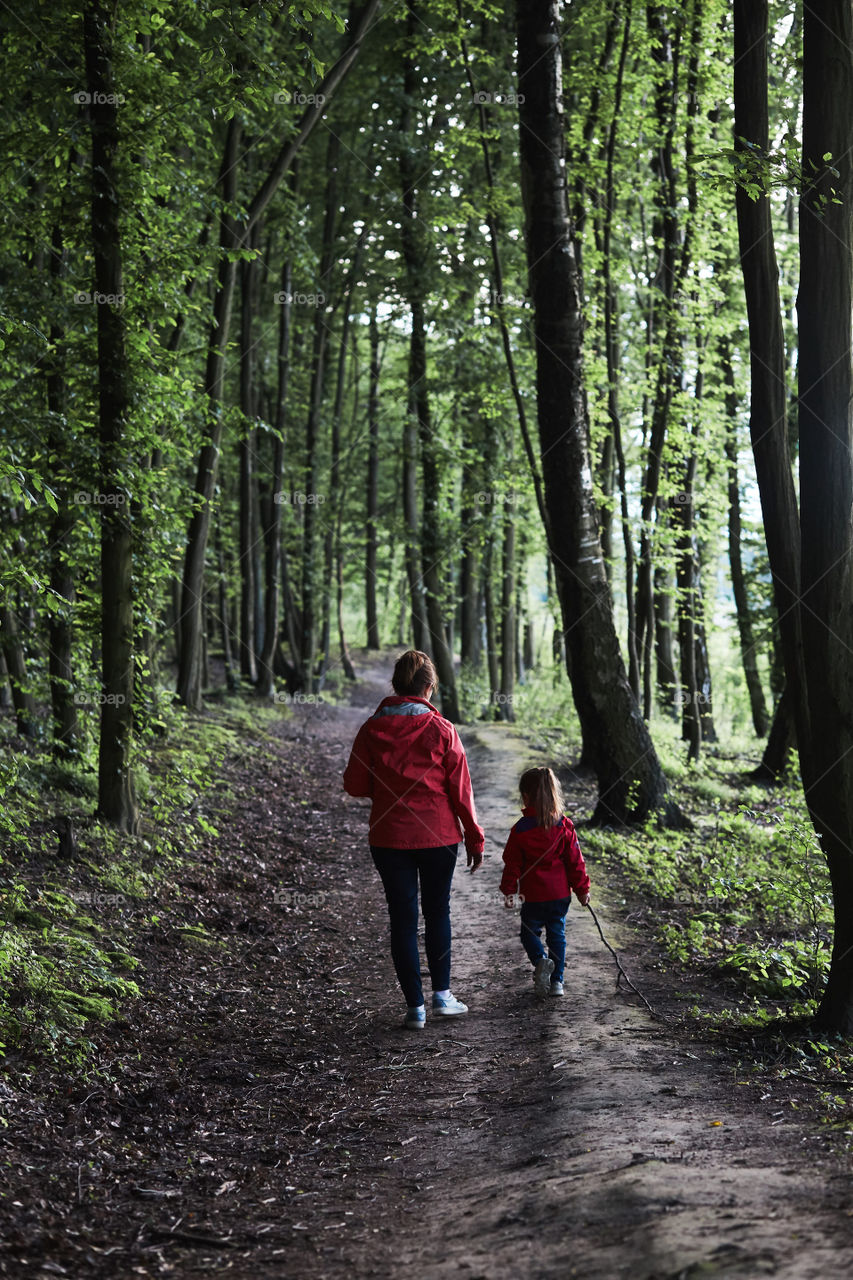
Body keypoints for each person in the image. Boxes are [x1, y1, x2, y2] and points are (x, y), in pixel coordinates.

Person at [343, 650, 485, 1030]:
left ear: (397, 685)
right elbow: (461, 792)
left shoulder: (372, 728)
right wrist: (475, 839)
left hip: (389, 839)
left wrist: (389, 789)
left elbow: (354, 785)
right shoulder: (442, 730)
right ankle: (442, 997)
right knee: (437, 911)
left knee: (402, 920)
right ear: (430, 686)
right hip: (438, 837)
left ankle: (414, 1009)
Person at [499, 766, 590, 998]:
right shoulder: (564, 827)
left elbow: (512, 863)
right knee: (557, 935)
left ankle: (540, 960)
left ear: (526, 797)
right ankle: (557, 981)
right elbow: (575, 862)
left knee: (529, 933)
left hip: (533, 896)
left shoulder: (520, 830)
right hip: (560, 895)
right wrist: (582, 890)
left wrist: (510, 891)